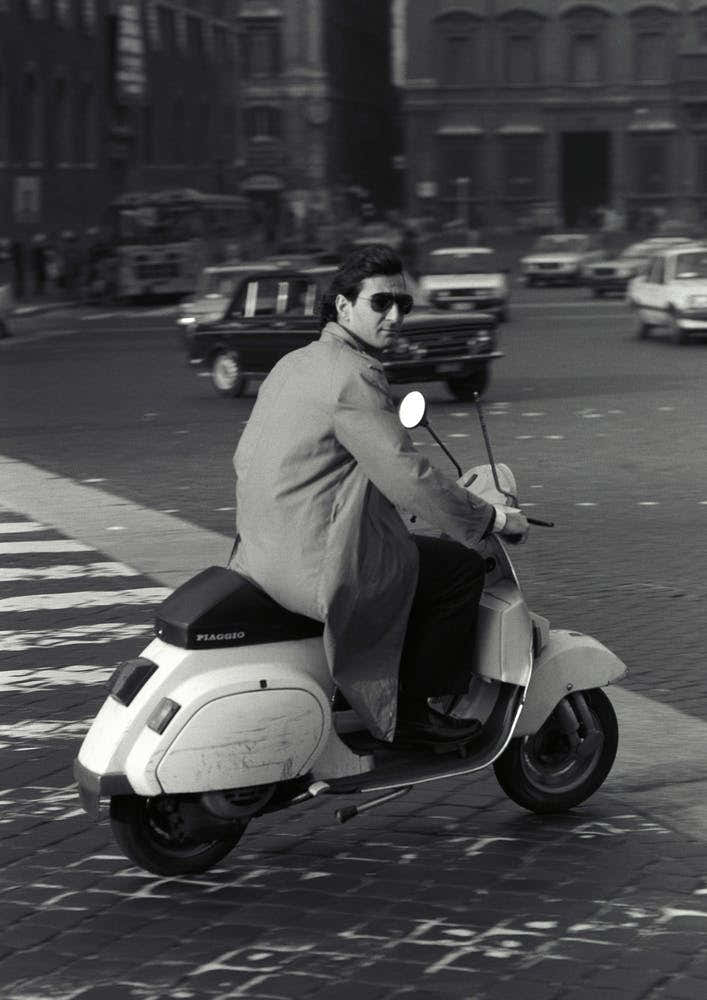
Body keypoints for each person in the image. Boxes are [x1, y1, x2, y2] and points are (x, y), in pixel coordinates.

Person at [231, 244, 528, 747]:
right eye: (381, 303)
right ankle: (414, 714)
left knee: (411, 557)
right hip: (316, 564)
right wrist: (491, 519)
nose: (394, 316)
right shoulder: (355, 375)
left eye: (403, 304)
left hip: (261, 552)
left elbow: (266, 459)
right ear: (343, 306)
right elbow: (407, 474)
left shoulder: (294, 363)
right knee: (459, 570)